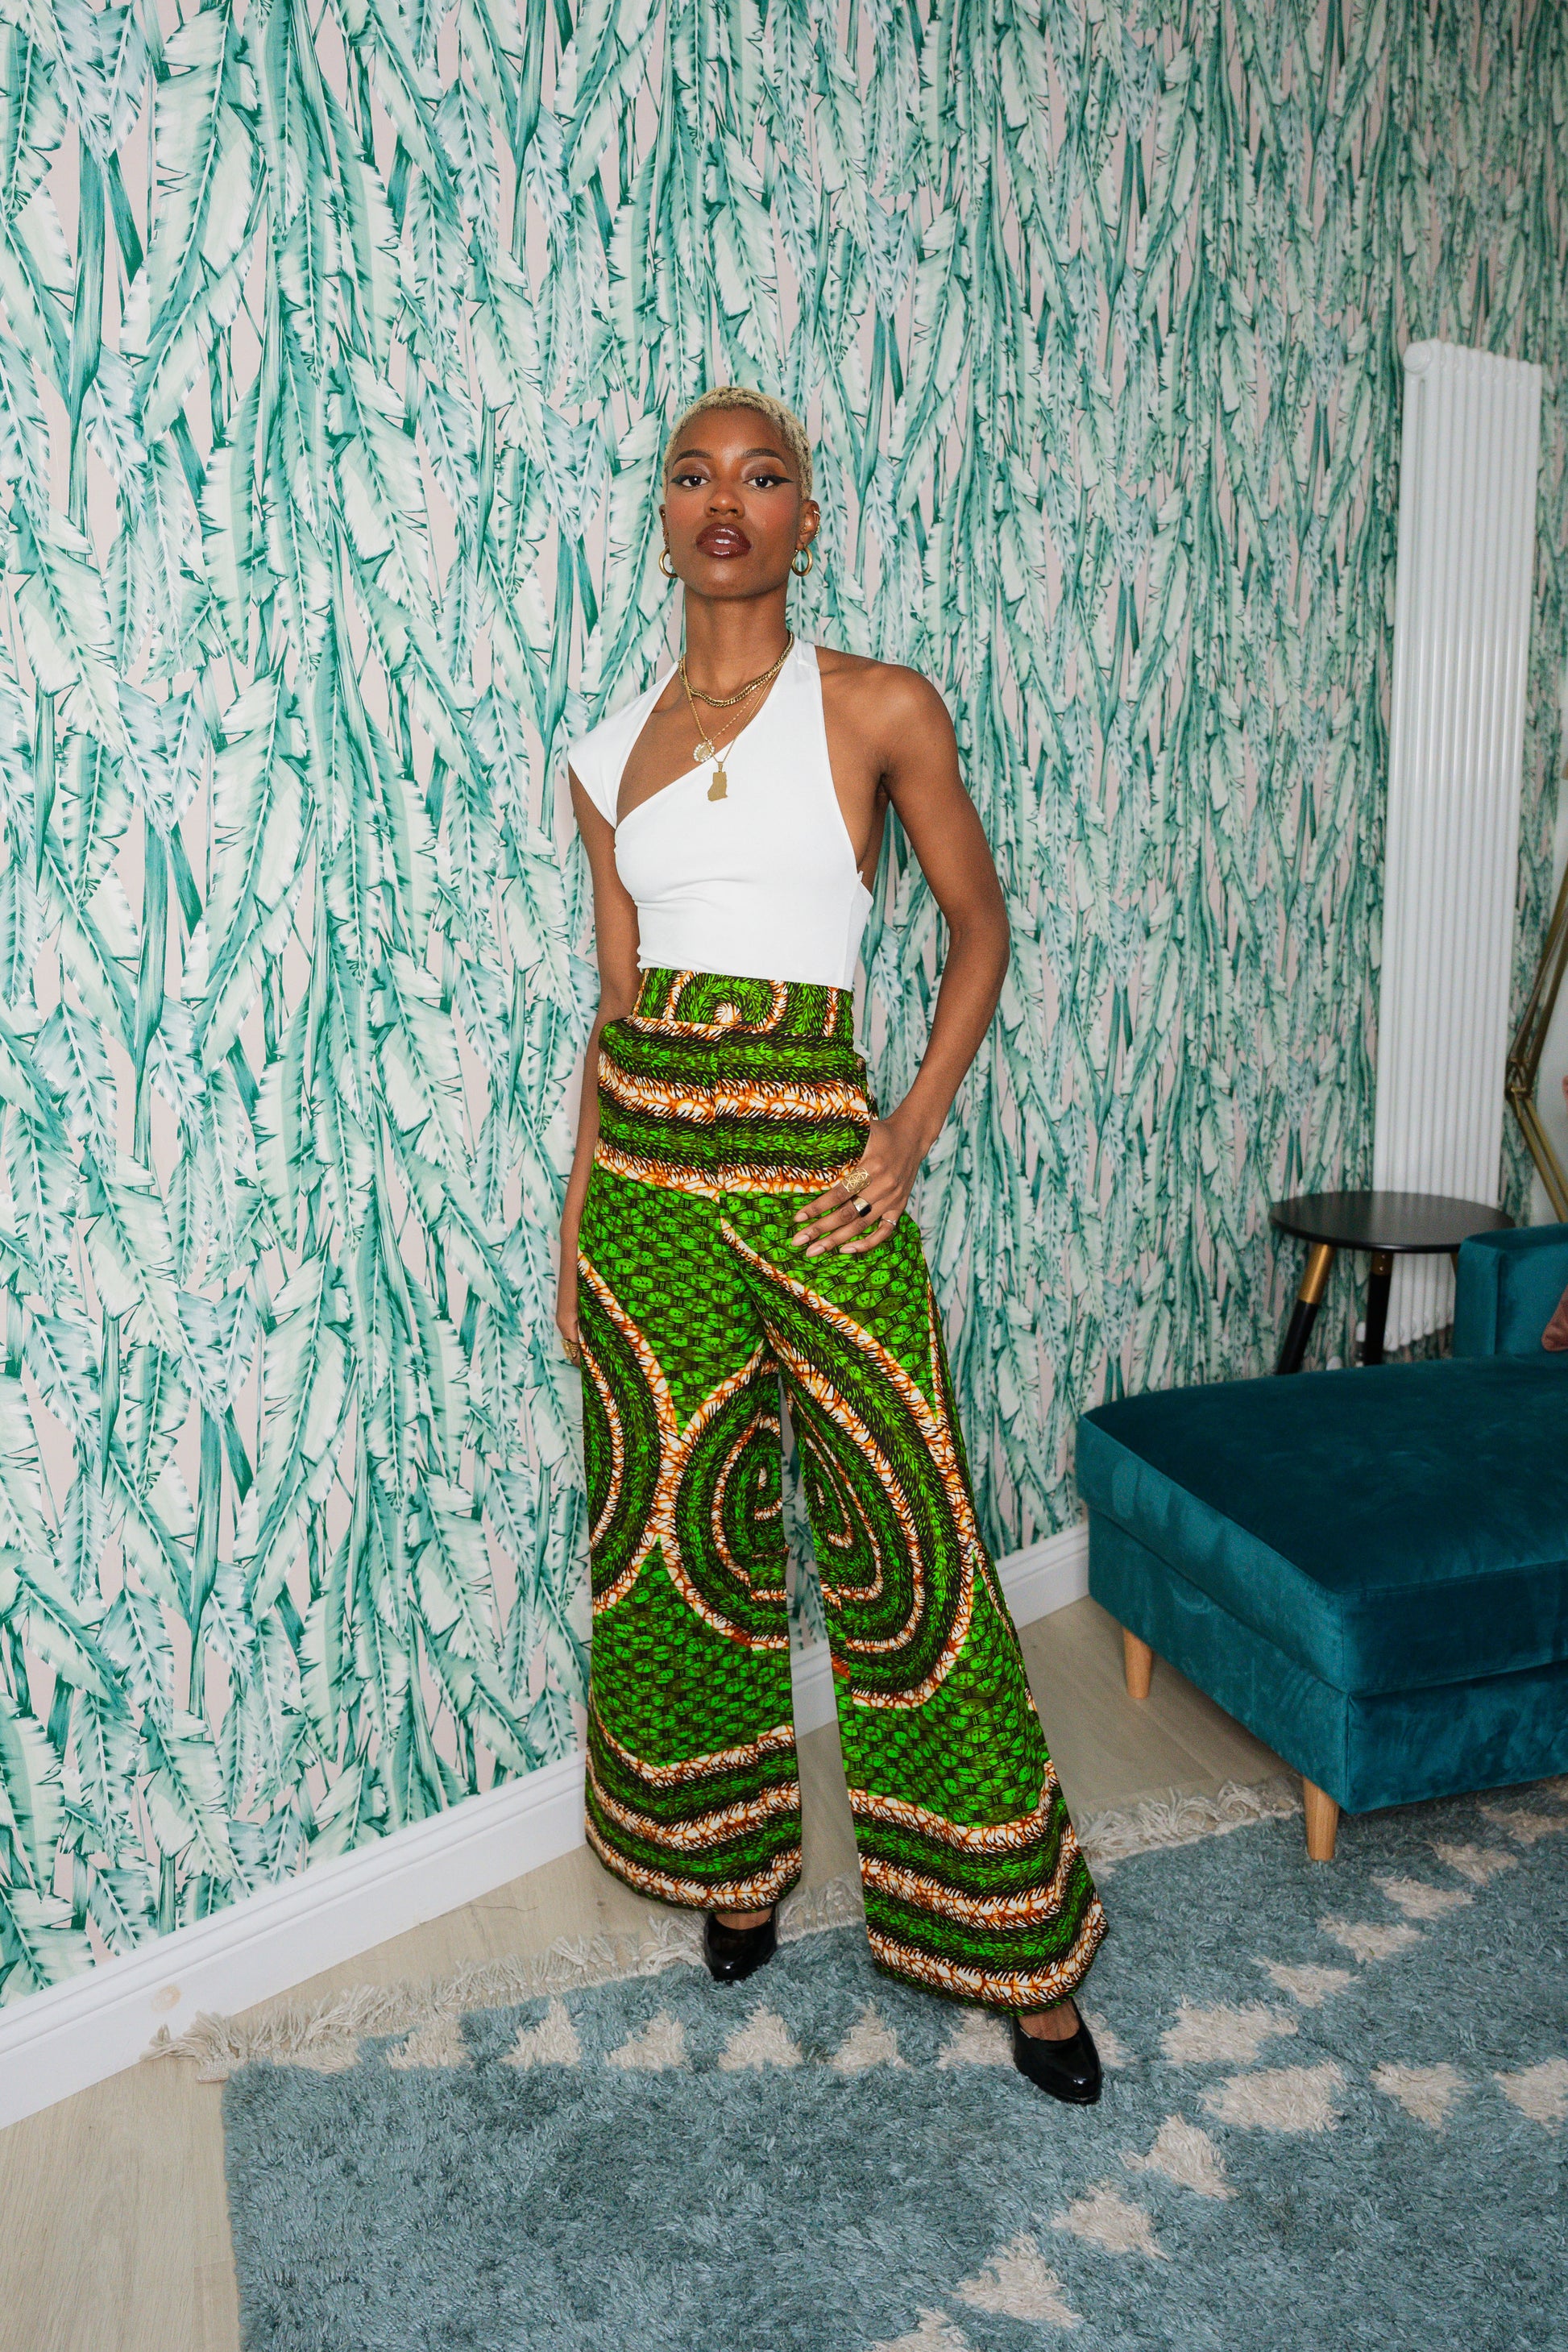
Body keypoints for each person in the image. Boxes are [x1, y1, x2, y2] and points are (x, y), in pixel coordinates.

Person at [558, 386, 1107, 2103]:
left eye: (762, 473)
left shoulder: (876, 705)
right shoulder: (604, 753)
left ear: (806, 516)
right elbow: (617, 1008)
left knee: (908, 1542)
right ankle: (733, 1867)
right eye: (692, 474)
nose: (723, 498)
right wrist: (577, 1237)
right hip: (645, 1181)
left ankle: (1017, 1948)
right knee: (676, 1534)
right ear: (664, 517)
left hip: (819, 1157)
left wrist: (907, 1130)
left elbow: (977, 922)